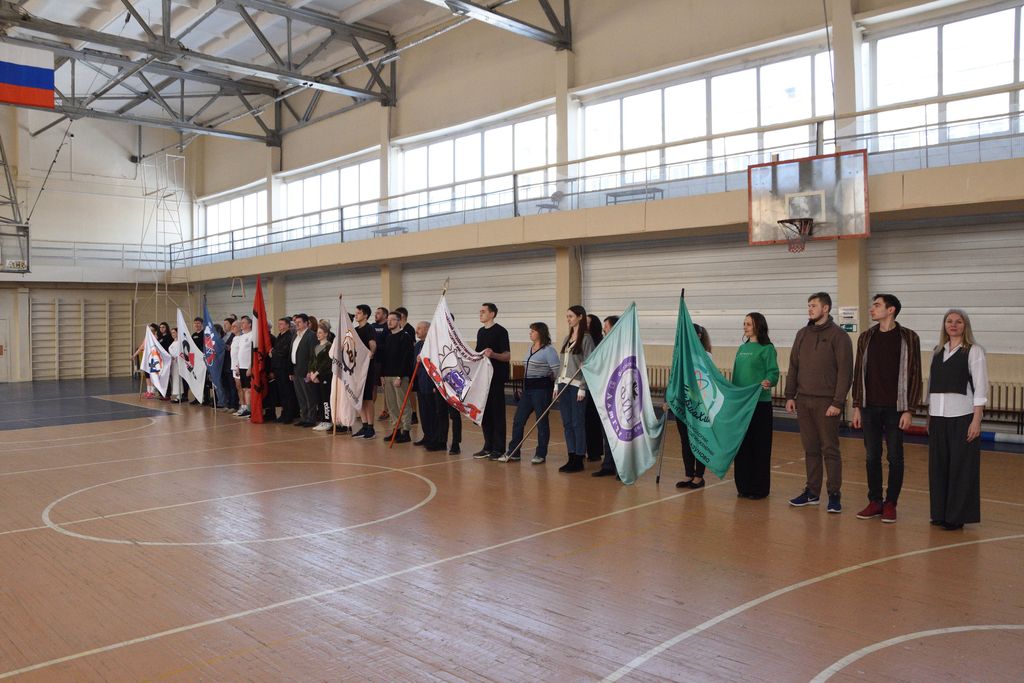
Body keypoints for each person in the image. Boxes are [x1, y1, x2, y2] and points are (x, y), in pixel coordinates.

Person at [851, 294, 923, 524]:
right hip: (869, 407)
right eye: (873, 305)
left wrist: (909, 409)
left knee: (895, 457)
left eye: (877, 305)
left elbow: (915, 374)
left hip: (896, 408)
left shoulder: (909, 337)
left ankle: (891, 503)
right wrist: (857, 406)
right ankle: (875, 501)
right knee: (872, 456)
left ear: (891, 310)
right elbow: (858, 373)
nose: (872, 309)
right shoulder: (866, 337)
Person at [786, 292, 854, 513]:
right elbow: (793, 366)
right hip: (803, 400)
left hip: (827, 403)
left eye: (814, 305)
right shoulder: (802, 334)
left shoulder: (839, 336)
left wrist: (838, 402)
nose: (810, 309)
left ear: (826, 308)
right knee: (811, 449)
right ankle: (812, 492)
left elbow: (845, 372)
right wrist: (790, 395)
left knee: (830, 449)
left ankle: (834, 494)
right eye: (808, 305)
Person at [928, 309, 987, 531]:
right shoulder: (937, 352)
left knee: (961, 469)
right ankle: (939, 513)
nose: (953, 325)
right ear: (944, 325)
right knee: (938, 468)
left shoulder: (974, 351)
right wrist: (930, 417)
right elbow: (932, 386)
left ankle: (956, 516)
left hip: (963, 417)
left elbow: (981, 387)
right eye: (949, 321)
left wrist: (976, 420)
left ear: (965, 326)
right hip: (938, 418)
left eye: (958, 321)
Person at [731, 313, 779, 499]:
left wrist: (769, 381)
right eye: (744, 324)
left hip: (759, 404)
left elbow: (773, 372)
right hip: (741, 405)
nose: (745, 327)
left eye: (749, 324)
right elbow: (736, 376)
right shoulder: (741, 348)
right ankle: (743, 486)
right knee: (742, 446)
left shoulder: (767, 349)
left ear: (758, 326)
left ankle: (759, 488)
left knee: (760, 447)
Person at [499, 322, 559, 464]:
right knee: (518, 420)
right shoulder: (530, 348)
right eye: (530, 331)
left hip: (542, 390)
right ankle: (514, 452)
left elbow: (556, 370)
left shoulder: (549, 351)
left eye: (533, 331)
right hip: (528, 390)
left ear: (540, 333)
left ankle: (541, 454)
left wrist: (553, 386)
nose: (530, 333)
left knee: (541, 421)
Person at [672, 324, 713, 489]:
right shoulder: (680, 355)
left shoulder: (706, 355)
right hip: (682, 403)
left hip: (698, 405)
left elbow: (708, 380)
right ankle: (689, 474)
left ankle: (699, 476)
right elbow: (674, 379)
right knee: (685, 440)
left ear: (698, 335)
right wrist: (669, 398)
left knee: (698, 440)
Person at [554, 305, 595, 472]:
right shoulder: (567, 338)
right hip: (563, 384)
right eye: (567, 316)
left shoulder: (586, 339)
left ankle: (579, 457)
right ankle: (571, 455)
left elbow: (590, 365)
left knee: (578, 422)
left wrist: (583, 387)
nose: (568, 319)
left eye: (571, 316)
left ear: (580, 317)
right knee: (567, 422)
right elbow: (561, 364)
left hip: (577, 386)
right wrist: (556, 383)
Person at [476, 303, 511, 460]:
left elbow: (507, 356)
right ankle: (488, 446)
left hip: (496, 379)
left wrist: (493, 354)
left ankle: (499, 448)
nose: (480, 314)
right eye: (480, 311)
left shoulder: (501, 331)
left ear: (492, 314)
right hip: (482, 380)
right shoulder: (480, 332)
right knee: (485, 414)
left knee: (497, 414)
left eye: (483, 311)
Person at [592, 315, 621, 477]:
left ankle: (621, 466)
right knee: (607, 431)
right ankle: (608, 464)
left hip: (618, 394)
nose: (604, 329)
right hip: (605, 393)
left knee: (618, 432)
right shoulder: (604, 344)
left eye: (606, 326)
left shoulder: (622, 346)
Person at [380, 312, 414, 443]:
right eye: (388, 320)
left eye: (392, 320)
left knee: (403, 404)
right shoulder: (388, 338)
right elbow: (384, 358)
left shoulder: (405, 337)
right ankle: (396, 430)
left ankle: (406, 431)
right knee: (392, 405)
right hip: (388, 376)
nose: (389, 322)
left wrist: (400, 376)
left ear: (399, 321)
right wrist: (382, 375)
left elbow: (406, 359)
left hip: (400, 377)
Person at [412, 321, 443, 450]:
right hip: (421, 383)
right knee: (424, 413)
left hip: (431, 384)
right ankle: (427, 436)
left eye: (419, 328)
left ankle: (436, 439)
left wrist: (436, 384)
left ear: (427, 330)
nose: (416, 331)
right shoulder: (418, 345)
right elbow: (415, 364)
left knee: (433, 413)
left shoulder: (433, 345)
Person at [352, 304, 379, 439]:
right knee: (359, 398)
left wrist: (371, 353)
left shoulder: (369, 328)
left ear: (365, 315)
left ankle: (371, 427)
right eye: (355, 313)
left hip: (367, 368)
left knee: (368, 399)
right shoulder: (355, 330)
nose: (356, 315)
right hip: (356, 369)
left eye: (358, 313)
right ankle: (364, 425)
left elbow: (372, 344)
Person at [583, 314, 606, 462]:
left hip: (596, 387)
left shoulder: (600, 343)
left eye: (587, 323)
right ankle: (585, 448)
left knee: (593, 419)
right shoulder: (583, 340)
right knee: (585, 419)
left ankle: (595, 451)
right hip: (584, 385)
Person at [291, 313, 317, 427]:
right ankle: (304, 417)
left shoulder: (311, 335)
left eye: (299, 322)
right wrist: (291, 371)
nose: (297, 324)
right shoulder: (295, 335)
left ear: (306, 323)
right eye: (295, 322)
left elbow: (313, 354)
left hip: (306, 370)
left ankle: (311, 419)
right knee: (301, 396)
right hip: (296, 369)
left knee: (309, 395)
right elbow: (292, 352)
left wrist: (310, 371)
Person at [271, 318, 298, 423]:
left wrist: (273, 352)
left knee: (287, 393)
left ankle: (289, 415)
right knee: (281, 393)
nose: (279, 326)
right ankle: (283, 413)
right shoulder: (279, 336)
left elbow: (284, 352)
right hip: (277, 368)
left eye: (282, 324)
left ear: (287, 325)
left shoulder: (289, 337)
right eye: (278, 324)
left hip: (284, 369)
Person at [309, 320, 334, 431]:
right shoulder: (316, 346)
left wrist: (317, 373)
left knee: (325, 399)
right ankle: (322, 420)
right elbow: (312, 361)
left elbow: (327, 363)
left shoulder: (329, 346)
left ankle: (327, 421)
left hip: (325, 376)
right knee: (318, 399)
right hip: (316, 377)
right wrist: (311, 373)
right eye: (317, 332)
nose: (318, 335)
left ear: (326, 334)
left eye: (320, 333)